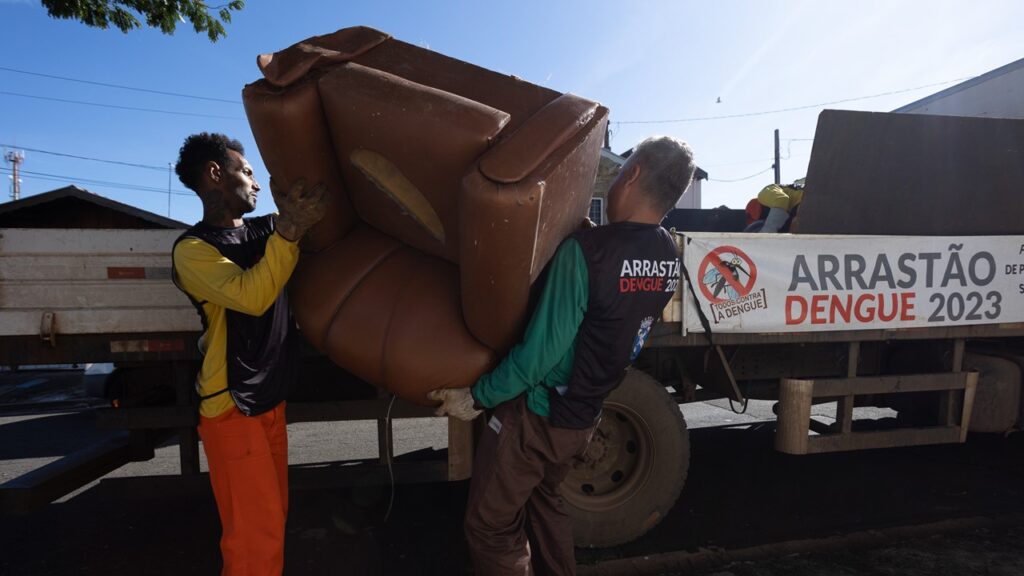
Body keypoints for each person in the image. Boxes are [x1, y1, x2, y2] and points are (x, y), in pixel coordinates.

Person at [430, 136, 695, 576]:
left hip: (537, 416)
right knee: (545, 502)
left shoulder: (586, 254)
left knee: (491, 526)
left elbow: (539, 354)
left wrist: (478, 396)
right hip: (585, 415)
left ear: (632, 175)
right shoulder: (667, 252)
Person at [170, 133, 327, 576]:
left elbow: (301, 224)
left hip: (267, 400)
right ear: (215, 174)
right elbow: (252, 295)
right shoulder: (193, 250)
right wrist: (290, 232)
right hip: (231, 406)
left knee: (271, 521)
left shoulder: (265, 231)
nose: (256, 184)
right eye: (247, 172)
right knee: (254, 536)